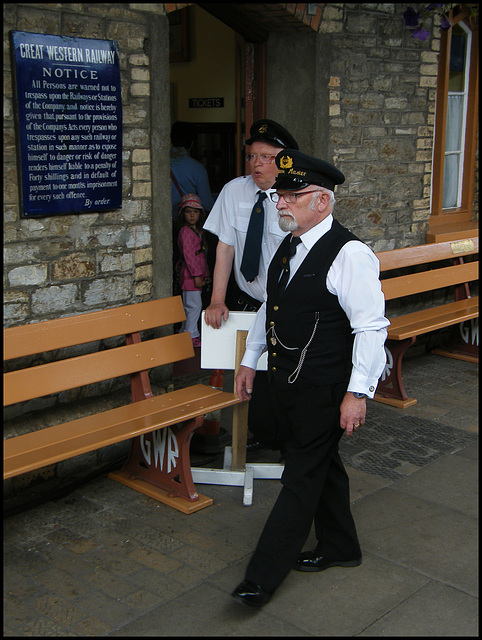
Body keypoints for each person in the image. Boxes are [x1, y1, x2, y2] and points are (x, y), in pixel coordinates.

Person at [231, 149, 389, 608]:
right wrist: (250, 358)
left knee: (300, 478)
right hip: (288, 384)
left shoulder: (351, 254)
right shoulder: (289, 243)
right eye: (280, 194)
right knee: (323, 465)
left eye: (292, 195)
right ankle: (341, 546)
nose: (280, 202)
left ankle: (261, 577)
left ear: (322, 200)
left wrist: (358, 392)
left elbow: (371, 327)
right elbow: (270, 308)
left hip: (324, 388)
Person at [203, 119, 299, 455]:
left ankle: (290, 438)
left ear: (284, 158)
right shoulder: (234, 191)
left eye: (266, 156)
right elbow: (225, 246)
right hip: (249, 298)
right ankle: (258, 434)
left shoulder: (297, 196)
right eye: (252, 157)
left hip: (286, 301)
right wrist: (217, 300)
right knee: (249, 366)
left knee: (285, 371)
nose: (257, 164)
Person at [175, 194, 210, 348]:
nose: (192, 215)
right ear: (183, 213)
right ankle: (191, 335)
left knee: (191, 304)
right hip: (190, 276)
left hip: (197, 275)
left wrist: (206, 274)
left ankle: (184, 331)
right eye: (188, 212)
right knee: (193, 306)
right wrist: (197, 275)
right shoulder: (186, 232)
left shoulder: (198, 231)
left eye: (195, 212)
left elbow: (202, 256)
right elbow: (190, 256)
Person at [170, 121, 214, 221]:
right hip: (186, 224)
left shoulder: (160, 165)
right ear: (192, 143)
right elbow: (207, 204)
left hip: (164, 221)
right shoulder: (197, 168)